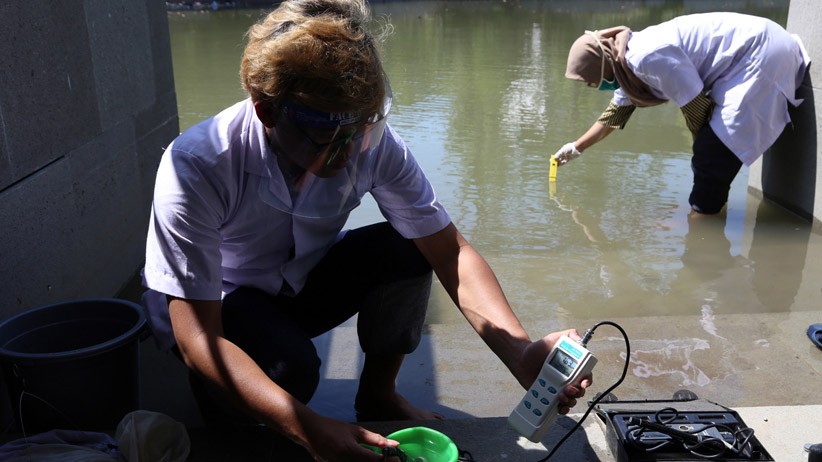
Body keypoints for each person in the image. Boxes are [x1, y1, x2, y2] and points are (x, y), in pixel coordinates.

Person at [141, 0, 591, 460]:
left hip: (295, 281)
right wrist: (310, 429)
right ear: (267, 111)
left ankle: (378, 394)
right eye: (324, 141)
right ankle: (232, 414)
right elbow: (199, 338)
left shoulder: (368, 140)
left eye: (357, 134)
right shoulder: (198, 164)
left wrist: (520, 353)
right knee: (290, 370)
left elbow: (449, 251)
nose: (345, 155)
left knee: (407, 248)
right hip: (217, 299)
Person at [552, 12, 811, 215]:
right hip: (744, 60)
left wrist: (701, 155)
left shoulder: (645, 57)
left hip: (760, 54)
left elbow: (696, 106)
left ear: (603, 66)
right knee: (709, 154)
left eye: (590, 81)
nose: (592, 87)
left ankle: (702, 225)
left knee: (712, 154)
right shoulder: (625, 64)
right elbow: (616, 114)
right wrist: (576, 148)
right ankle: (706, 211)